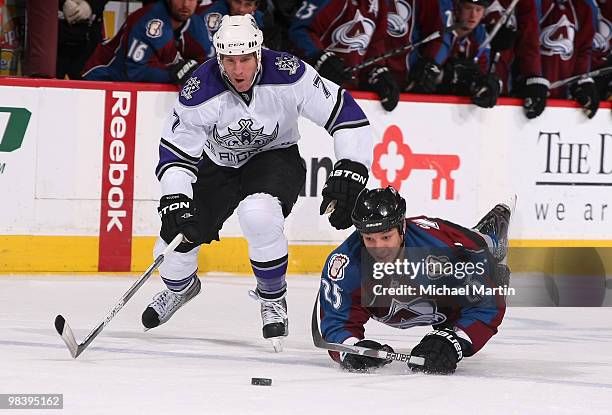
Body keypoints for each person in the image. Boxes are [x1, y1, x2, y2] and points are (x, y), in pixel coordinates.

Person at [142, 14, 373, 352]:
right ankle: (180, 289)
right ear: (218, 57)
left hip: (274, 157)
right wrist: (175, 199)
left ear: (259, 53)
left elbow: (345, 114)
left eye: (246, 59)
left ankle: (272, 297)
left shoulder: (290, 74)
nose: (238, 70)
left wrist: (351, 168)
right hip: (217, 165)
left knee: (259, 213)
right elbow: (175, 155)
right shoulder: (198, 89)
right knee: (172, 247)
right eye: (230, 61)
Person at [318, 186, 509, 374]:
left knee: (489, 257)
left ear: (402, 228)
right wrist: (351, 349)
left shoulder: (443, 251)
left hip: (458, 251)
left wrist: (454, 341)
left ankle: (491, 236)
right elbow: (336, 323)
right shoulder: (344, 264)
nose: (379, 248)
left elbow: (489, 305)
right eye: (370, 239)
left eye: (386, 237)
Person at [288, 0, 401, 111]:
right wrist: (318, 56)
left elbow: (375, 44)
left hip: (347, 98)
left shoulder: (379, 5)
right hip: (307, 92)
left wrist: (376, 71)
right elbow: (299, 31)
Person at [82, 0, 210, 84]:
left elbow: (204, 64)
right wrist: (173, 74)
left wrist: (190, 71)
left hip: (139, 88)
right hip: (103, 79)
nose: (186, 4)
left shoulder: (197, 25)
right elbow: (136, 72)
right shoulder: (149, 21)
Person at [482, 0, 550, 119]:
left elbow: (528, 39)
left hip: (500, 88)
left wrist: (532, 77)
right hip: (464, 80)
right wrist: (485, 30)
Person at [539, 0, 599, 118]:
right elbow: (525, 45)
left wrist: (581, 81)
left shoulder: (582, 8)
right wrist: (531, 77)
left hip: (560, 102)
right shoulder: (537, 4)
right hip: (521, 98)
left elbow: (583, 50)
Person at [437, 0, 503, 108]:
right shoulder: (443, 30)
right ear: (458, 10)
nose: (473, 15)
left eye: (478, 10)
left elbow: (483, 71)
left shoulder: (481, 37)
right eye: (468, 8)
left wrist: (488, 84)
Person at [57, 0, 109, 80]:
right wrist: (63, 2)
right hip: (50, 40)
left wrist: (90, 5)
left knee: (90, 87)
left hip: (90, 40)